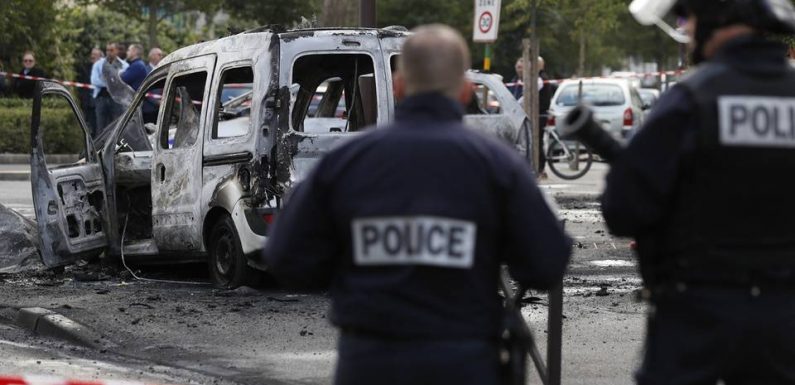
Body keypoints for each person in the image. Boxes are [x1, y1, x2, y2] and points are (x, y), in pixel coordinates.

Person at [263, 24, 571, 385]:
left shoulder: (344, 163)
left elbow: (286, 256)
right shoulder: (498, 167)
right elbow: (547, 262)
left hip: (370, 364)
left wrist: (353, 270)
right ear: (466, 91)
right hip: (465, 363)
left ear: (398, 86)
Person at [602, 0, 795, 383]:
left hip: (696, 314)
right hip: (785, 315)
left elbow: (622, 209)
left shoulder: (690, 100)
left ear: (712, 20)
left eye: (687, 18)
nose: (686, 31)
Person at [91, 43, 128, 136]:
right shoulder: (98, 64)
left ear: (117, 51)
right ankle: (99, 149)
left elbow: (123, 81)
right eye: (107, 50)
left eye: (111, 50)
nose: (109, 52)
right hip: (101, 98)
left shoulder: (124, 65)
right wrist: (110, 84)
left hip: (117, 99)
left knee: (117, 126)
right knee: (100, 127)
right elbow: (94, 80)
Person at [77, 48, 103, 134]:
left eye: (95, 54)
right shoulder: (85, 68)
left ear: (100, 56)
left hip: (100, 102)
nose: (93, 56)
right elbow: (81, 85)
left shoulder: (103, 68)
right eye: (92, 54)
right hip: (88, 102)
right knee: (88, 125)